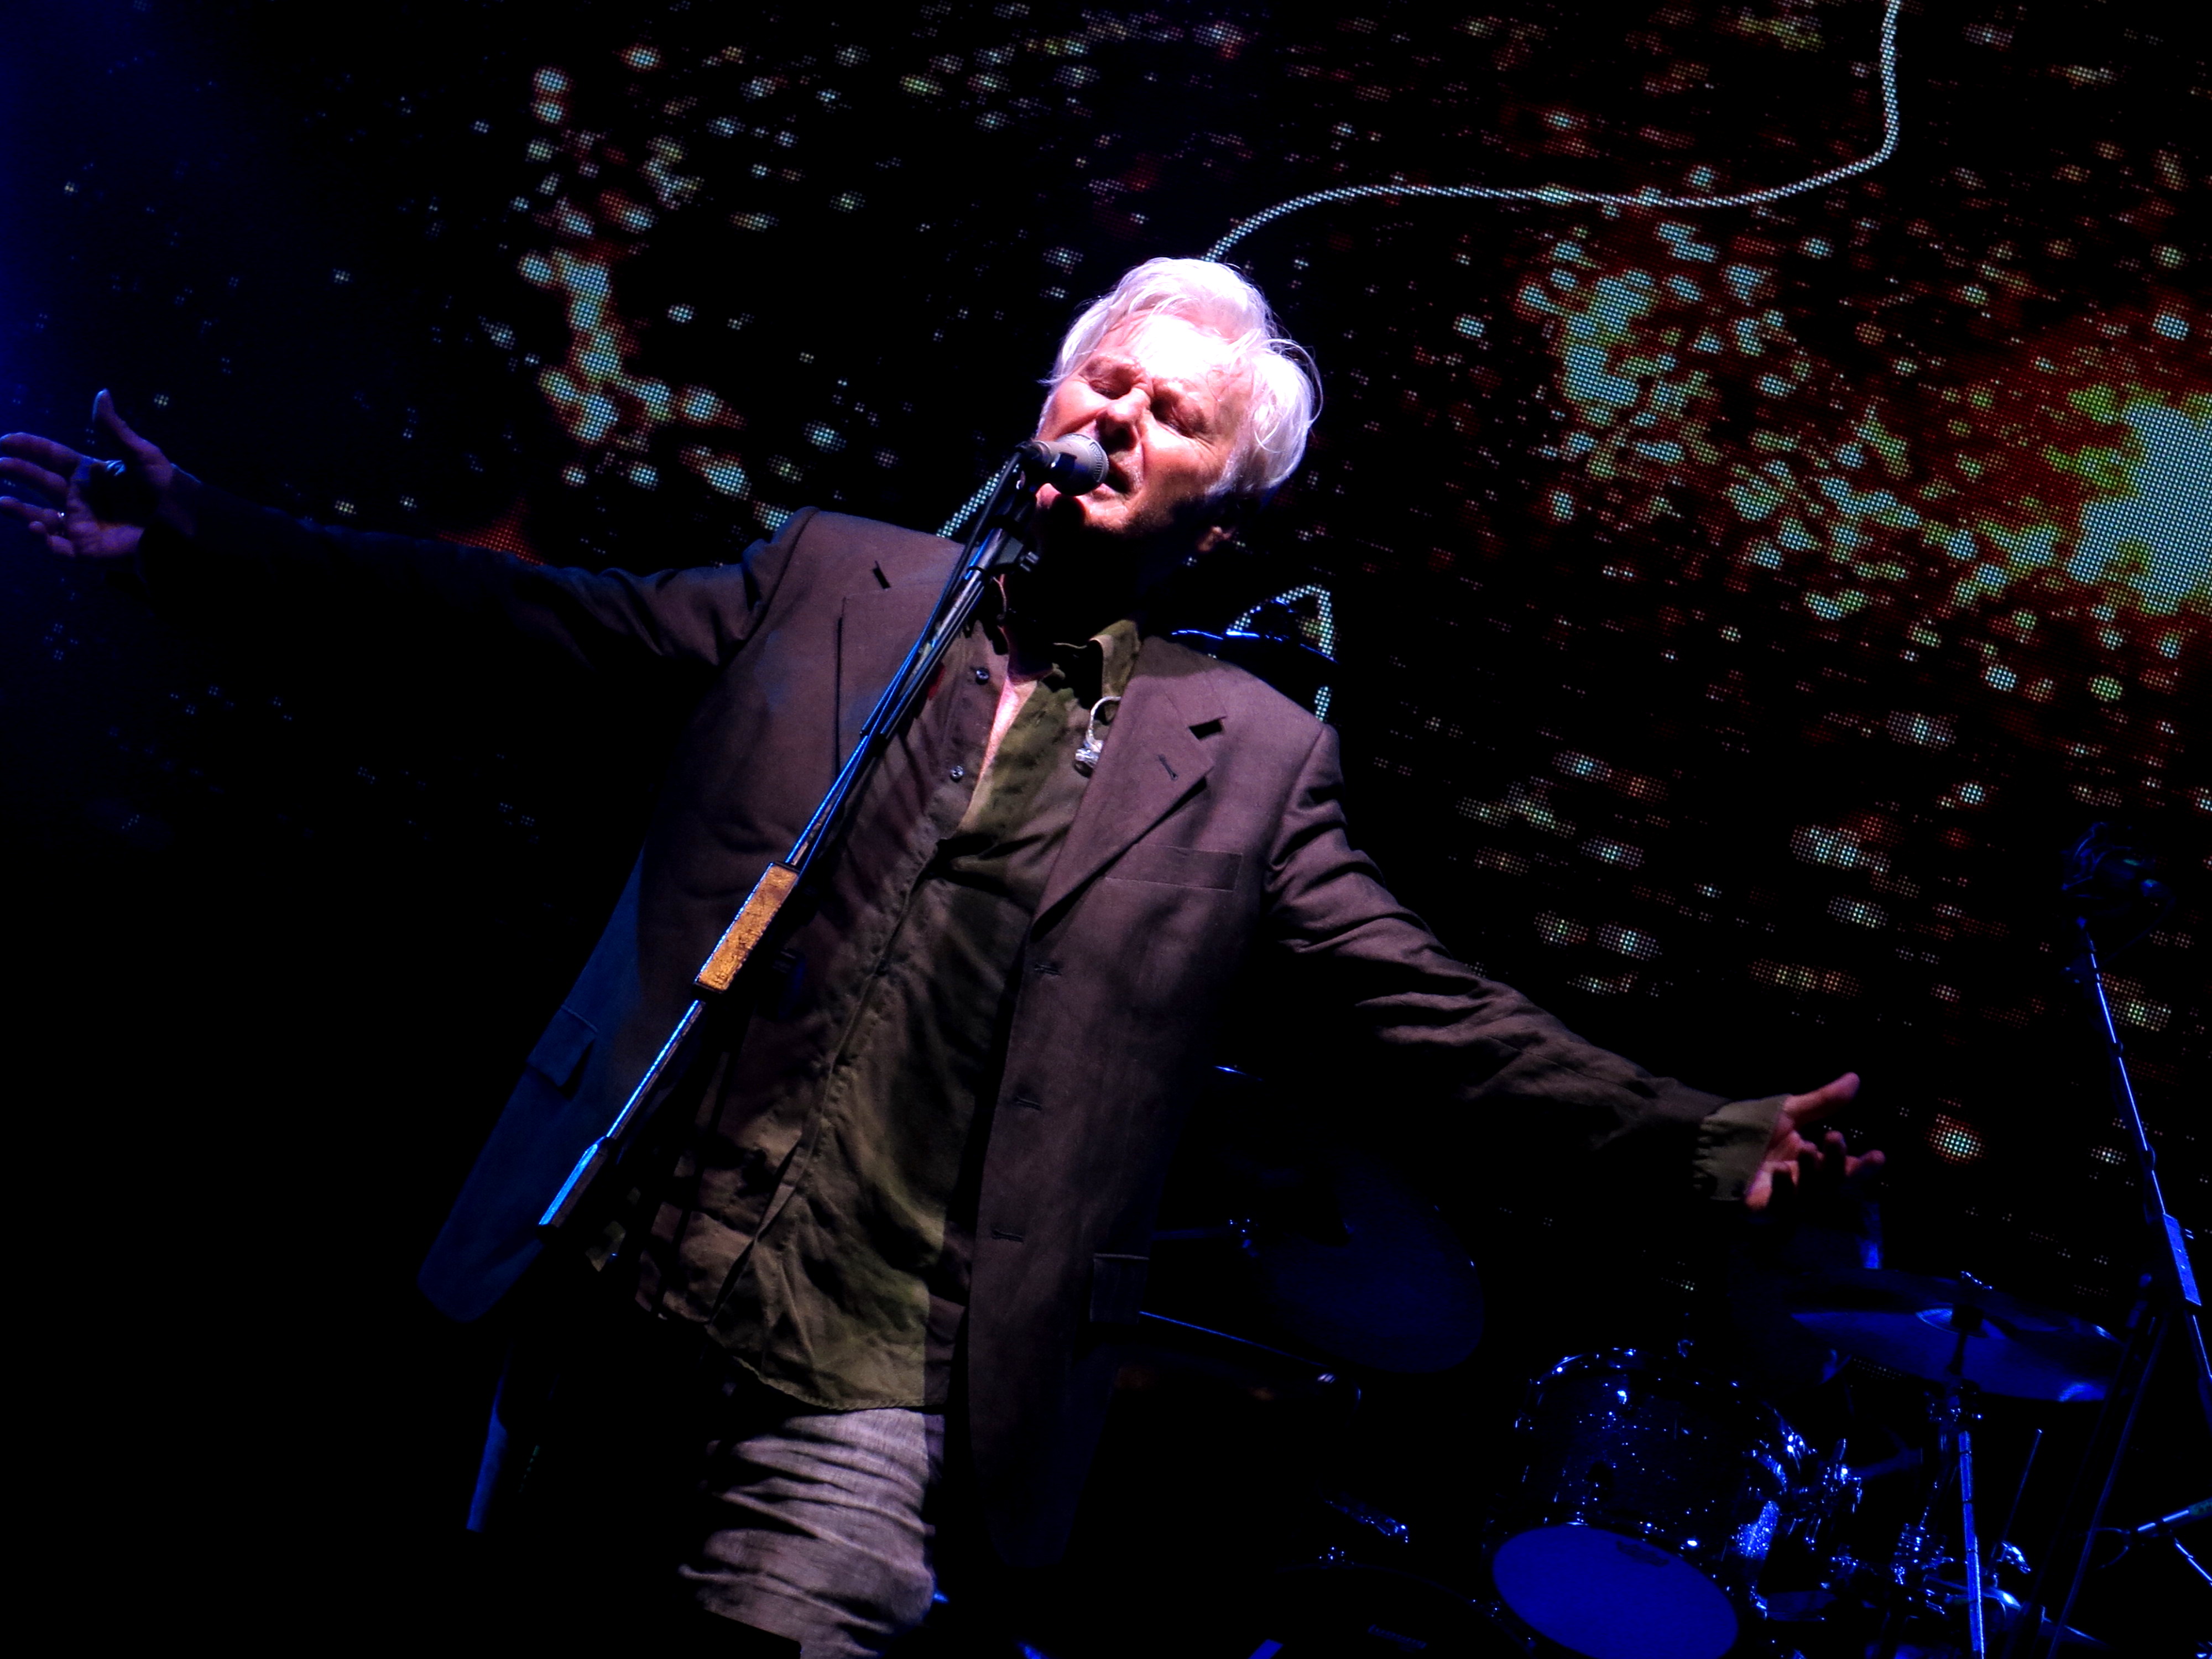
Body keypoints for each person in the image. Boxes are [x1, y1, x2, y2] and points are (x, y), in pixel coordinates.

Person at [2, 258, 1879, 1656]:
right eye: (1102, 381)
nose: (1117, 419)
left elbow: (1427, 1002)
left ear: (1225, 507)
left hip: (867, 1393)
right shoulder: (831, 581)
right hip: (611, 1307)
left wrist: (1696, 1131)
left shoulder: (1249, 760)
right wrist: (202, 540)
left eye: (1173, 417)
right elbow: (528, 627)